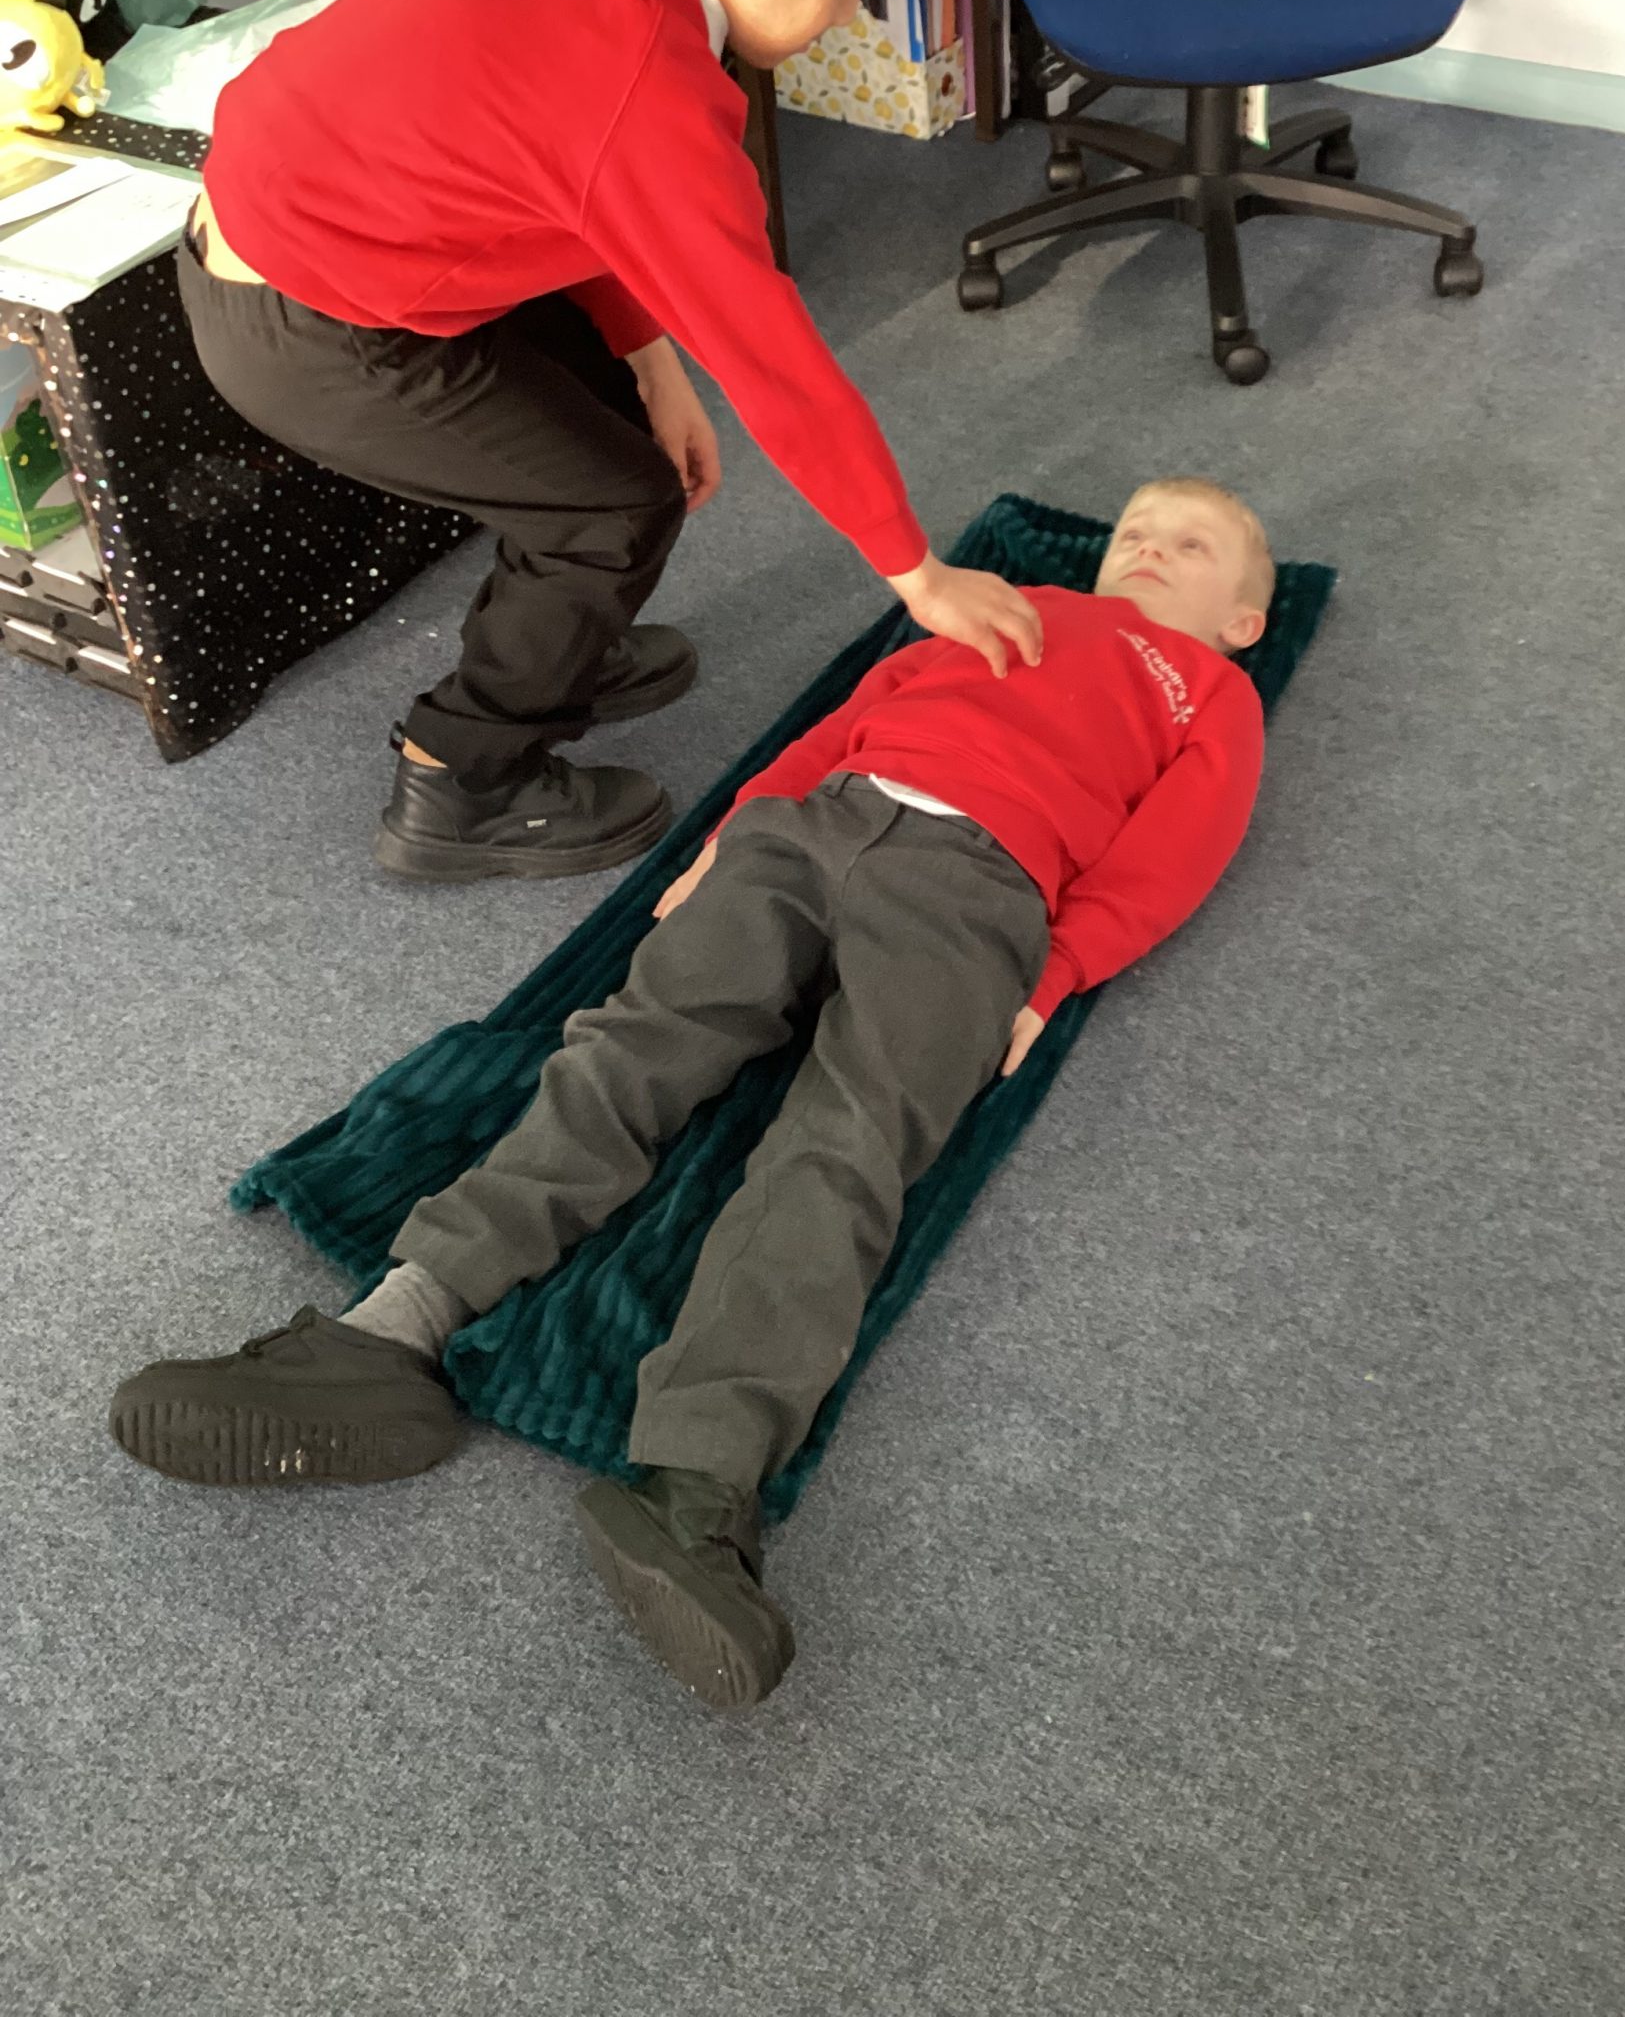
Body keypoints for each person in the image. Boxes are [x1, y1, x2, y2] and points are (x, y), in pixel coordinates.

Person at [112, 481, 1275, 1708]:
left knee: (850, 1145)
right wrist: (738, 827)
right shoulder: (1013, 601)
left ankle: (697, 1489)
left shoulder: (1209, 689)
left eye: (1191, 542)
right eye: (1136, 529)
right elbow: (849, 715)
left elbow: (1176, 852)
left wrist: (1059, 969)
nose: (1149, 546)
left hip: (984, 890)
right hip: (814, 825)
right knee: (629, 1048)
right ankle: (391, 1329)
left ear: (1245, 617)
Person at [176, 0, 1040, 881]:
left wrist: (649, 358)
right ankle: (461, 776)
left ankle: (561, 643)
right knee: (614, 504)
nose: (846, 12)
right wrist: (917, 574)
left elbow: (567, 192)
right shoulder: (653, 100)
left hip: (316, 236)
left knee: (621, 423)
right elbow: (778, 369)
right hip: (309, 324)